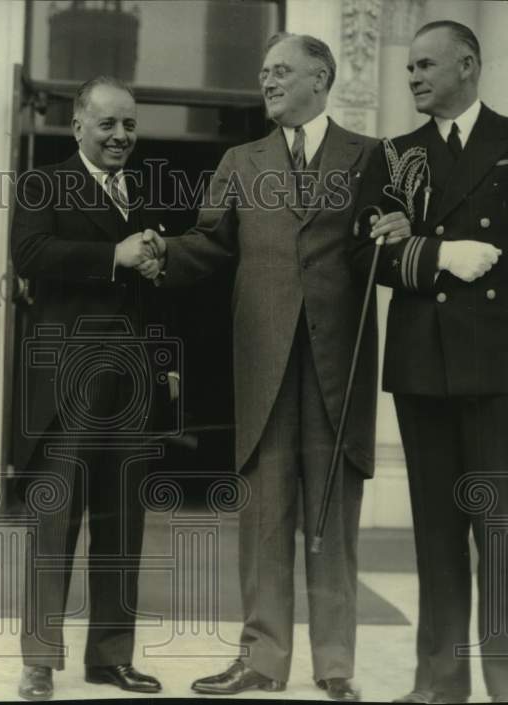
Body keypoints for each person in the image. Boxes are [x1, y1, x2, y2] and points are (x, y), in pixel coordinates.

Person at [145, 33, 377, 702]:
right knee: (265, 515)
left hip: (339, 364)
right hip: (264, 361)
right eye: (263, 72)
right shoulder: (239, 160)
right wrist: (159, 254)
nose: (267, 81)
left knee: (332, 515)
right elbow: (208, 245)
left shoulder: (371, 157)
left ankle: (335, 665)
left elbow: (385, 247)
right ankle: (262, 660)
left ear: (321, 77)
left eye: (281, 71)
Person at [352, 21, 508, 705]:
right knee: (438, 533)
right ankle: (439, 682)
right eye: (410, 66)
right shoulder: (395, 155)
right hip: (424, 366)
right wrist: (436, 256)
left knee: (501, 534)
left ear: (468, 66)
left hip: (499, 368)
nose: (413, 76)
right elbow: (364, 250)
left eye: (426, 65)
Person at [10, 75, 170, 701]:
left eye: (129, 124)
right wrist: (115, 256)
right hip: (66, 376)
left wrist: (159, 264)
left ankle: (110, 657)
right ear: (78, 126)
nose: (120, 136)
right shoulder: (42, 182)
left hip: (132, 380)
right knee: (56, 518)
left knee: (123, 518)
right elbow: (30, 254)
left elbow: (161, 265)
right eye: (107, 124)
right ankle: (39, 661)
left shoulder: (150, 186)